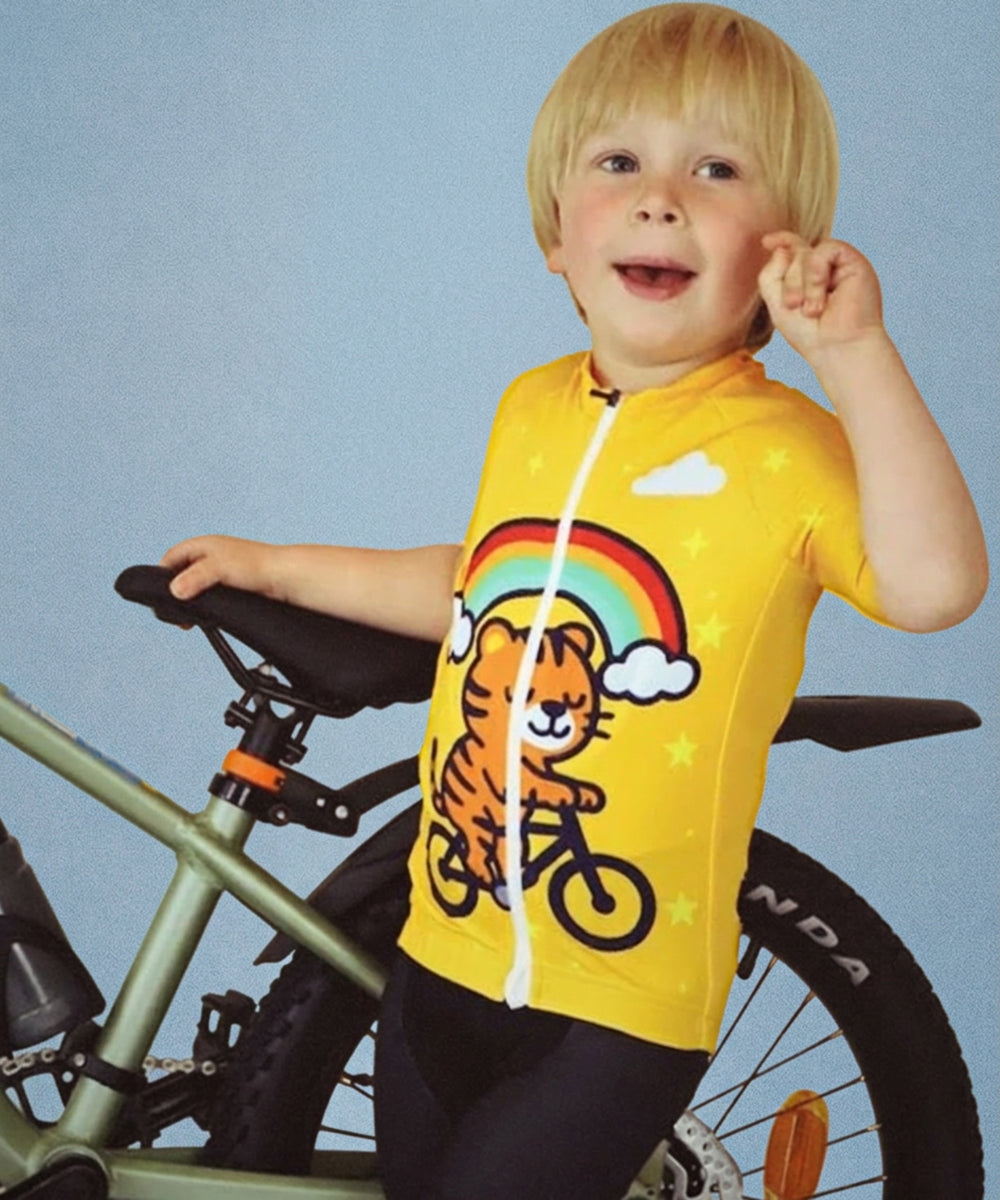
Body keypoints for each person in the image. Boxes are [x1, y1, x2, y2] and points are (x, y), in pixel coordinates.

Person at [161, 5, 988, 1197]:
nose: (660, 200)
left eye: (716, 169)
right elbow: (479, 585)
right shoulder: (533, 407)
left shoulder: (787, 450)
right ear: (556, 232)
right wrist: (281, 566)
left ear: (782, 245)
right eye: (619, 163)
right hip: (438, 963)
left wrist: (855, 356)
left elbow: (935, 586)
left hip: (615, 1011)